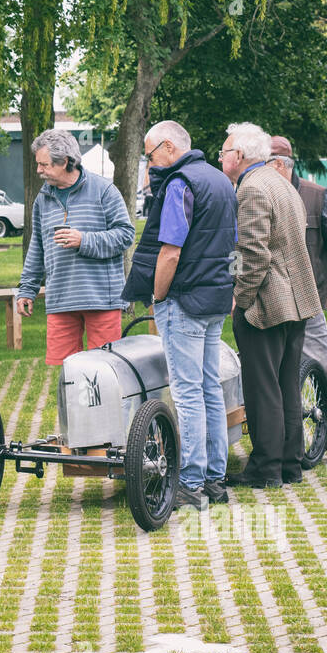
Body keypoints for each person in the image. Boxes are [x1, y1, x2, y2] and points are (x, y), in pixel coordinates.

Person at [122, 121, 237, 511]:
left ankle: (189, 483)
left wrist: (157, 295)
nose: (150, 164)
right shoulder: (222, 181)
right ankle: (215, 479)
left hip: (184, 300)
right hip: (216, 299)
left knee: (188, 394)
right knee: (209, 388)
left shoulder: (179, 184)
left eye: (151, 155)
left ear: (169, 147)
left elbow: (169, 251)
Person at [219, 122, 321, 488]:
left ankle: (266, 468)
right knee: (285, 385)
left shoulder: (252, 188)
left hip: (267, 304)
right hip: (296, 301)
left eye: (224, 151)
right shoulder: (280, 181)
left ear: (240, 156)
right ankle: (290, 465)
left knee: (263, 388)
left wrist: (241, 301)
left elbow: (252, 255)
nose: (221, 157)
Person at [267, 136, 327, 463]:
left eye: (266, 164)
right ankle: (279, 440)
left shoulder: (316, 196)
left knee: (324, 366)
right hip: (269, 303)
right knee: (273, 370)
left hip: (308, 302)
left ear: (281, 164)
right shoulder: (256, 192)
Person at [16, 129, 135, 365]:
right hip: (60, 299)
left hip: (102, 299)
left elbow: (125, 235)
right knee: (67, 374)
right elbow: (37, 246)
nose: (39, 171)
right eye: (38, 164)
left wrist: (84, 240)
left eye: (45, 165)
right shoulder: (43, 199)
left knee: (106, 371)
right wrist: (27, 289)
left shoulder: (104, 191)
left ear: (67, 162)